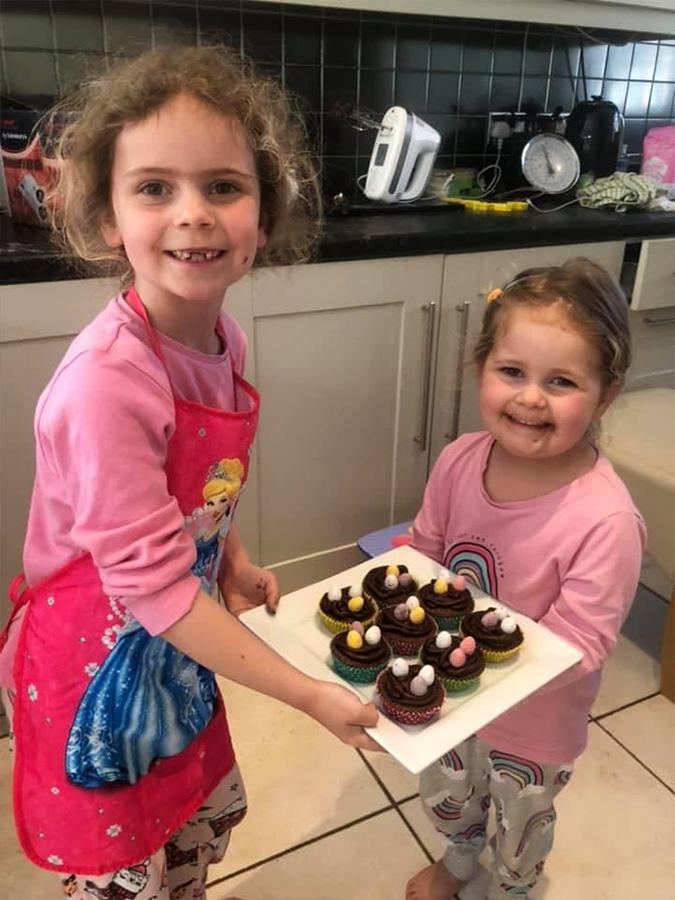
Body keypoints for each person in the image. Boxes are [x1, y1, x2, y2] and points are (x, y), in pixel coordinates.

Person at [0, 46, 380, 900]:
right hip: (96, 654)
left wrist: (230, 557)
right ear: (107, 218)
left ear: (263, 215)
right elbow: (154, 587)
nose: (193, 214)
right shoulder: (106, 387)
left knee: (179, 839)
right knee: (124, 867)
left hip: (169, 637)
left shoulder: (220, 340)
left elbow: (197, 493)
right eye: (153, 188)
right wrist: (308, 695)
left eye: (223, 186)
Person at [405, 259, 645, 900]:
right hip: (449, 697)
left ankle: (511, 888)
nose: (531, 397)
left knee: (520, 827)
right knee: (449, 793)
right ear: (480, 368)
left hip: (534, 725)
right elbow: (424, 555)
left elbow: (580, 646)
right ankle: (460, 857)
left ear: (605, 395)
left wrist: (476, 673)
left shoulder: (606, 520)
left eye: (561, 381)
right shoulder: (458, 461)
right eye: (512, 371)